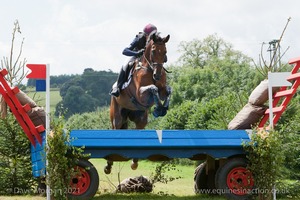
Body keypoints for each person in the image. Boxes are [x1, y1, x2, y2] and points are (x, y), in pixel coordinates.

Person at [109, 23, 158, 97]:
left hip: (148, 60)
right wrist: (137, 53)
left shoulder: (155, 40)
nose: (152, 38)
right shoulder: (139, 38)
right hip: (135, 56)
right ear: (146, 35)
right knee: (125, 64)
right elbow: (125, 51)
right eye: (151, 36)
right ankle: (117, 87)